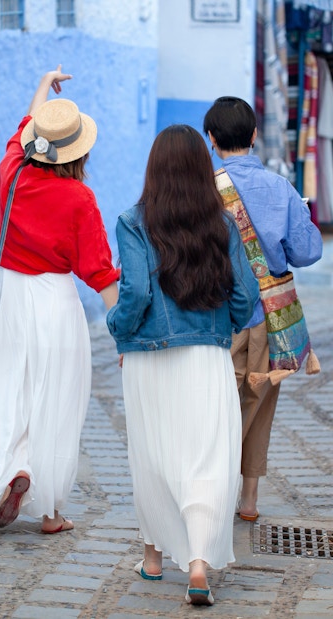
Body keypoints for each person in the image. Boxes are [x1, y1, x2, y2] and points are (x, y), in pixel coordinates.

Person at [0, 66, 119, 533]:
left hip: (13, 295)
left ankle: (15, 467)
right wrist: (124, 337)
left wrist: (44, 83)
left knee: (12, 384)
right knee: (57, 398)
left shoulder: (10, 172)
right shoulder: (80, 198)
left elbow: (25, 125)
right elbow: (101, 273)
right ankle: (51, 512)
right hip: (55, 299)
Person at [106, 124, 260, 606]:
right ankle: (197, 564)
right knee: (208, 458)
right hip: (207, 357)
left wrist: (119, 330)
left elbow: (135, 294)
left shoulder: (133, 221)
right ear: (201, 168)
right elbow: (246, 296)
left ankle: (152, 559)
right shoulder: (223, 223)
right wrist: (226, 325)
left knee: (152, 455)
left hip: (149, 359)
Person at [203, 96, 323, 521]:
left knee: (214, 404)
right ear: (254, 136)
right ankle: (249, 499)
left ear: (212, 139)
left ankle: (210, 493)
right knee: (261, 403)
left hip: (218, 315)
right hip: (270, 319)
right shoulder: (280, 188)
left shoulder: (203, 190)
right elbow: (308, 252)